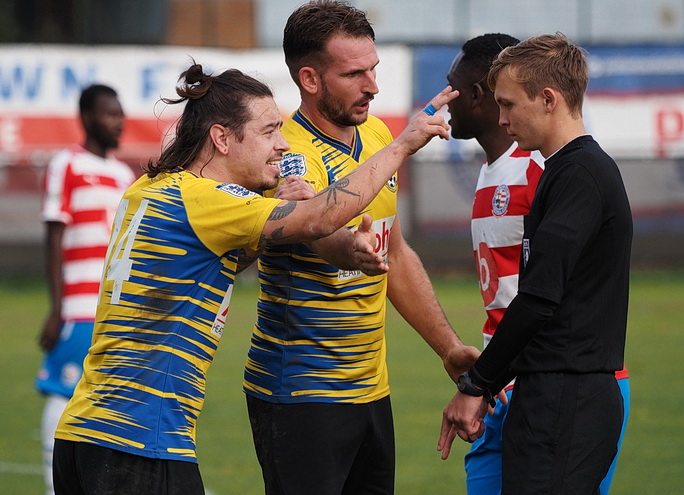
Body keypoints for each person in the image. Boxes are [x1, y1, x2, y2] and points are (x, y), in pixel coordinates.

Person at [52, 62, 456, 494]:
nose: (281, 145)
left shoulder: (152, 189)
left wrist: (276, 222)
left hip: (82, 433)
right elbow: (318, 219)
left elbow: (208, 261)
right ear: (222, 139)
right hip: (139, 441)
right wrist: (403, 144)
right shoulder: (207, 199)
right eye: (268, 132)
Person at [242, 2, 478, 494]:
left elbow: (393, 253)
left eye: (374, 69)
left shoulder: (374, 134)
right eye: (354, 73)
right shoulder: (285, 152)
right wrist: (357, 250)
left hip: (371, 390)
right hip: (300, 392)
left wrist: (449, 349)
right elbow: (324, 236)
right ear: (310, 78)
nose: (372, 85)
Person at [438, 33, 633, 494]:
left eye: (508, 104)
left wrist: (476, 384)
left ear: (548, 100)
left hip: (570, 394)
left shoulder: (578, 175)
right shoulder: (562, 171)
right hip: (539, 387)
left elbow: (541, 296)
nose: (501, 119)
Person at [35, 84, 135, 495]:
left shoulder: (125, 175)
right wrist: (57, 308)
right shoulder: (66, 164)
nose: (118, 122)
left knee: (109, 400)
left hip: (114, 308)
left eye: (120, 114)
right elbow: (54, 235)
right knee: (63, 391)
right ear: (87, 116)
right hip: (77, 306)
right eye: (110, 114)